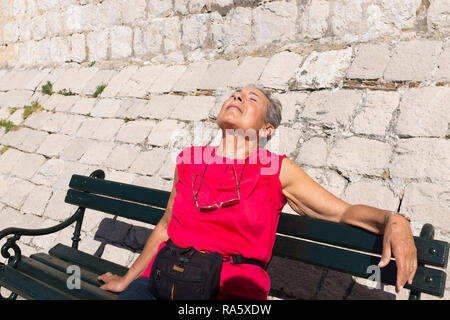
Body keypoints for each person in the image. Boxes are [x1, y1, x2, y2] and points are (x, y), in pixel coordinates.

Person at [97, 86, 417, 300]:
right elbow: (166, 227)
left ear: (266, 130)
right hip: (162, 281)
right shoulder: (189, 161)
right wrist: (127, 280)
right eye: (236, 93)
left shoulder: (274, 168)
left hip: (232, 293)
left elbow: (341, 212)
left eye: (252, 99)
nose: (238, 97)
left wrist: (393, 221)